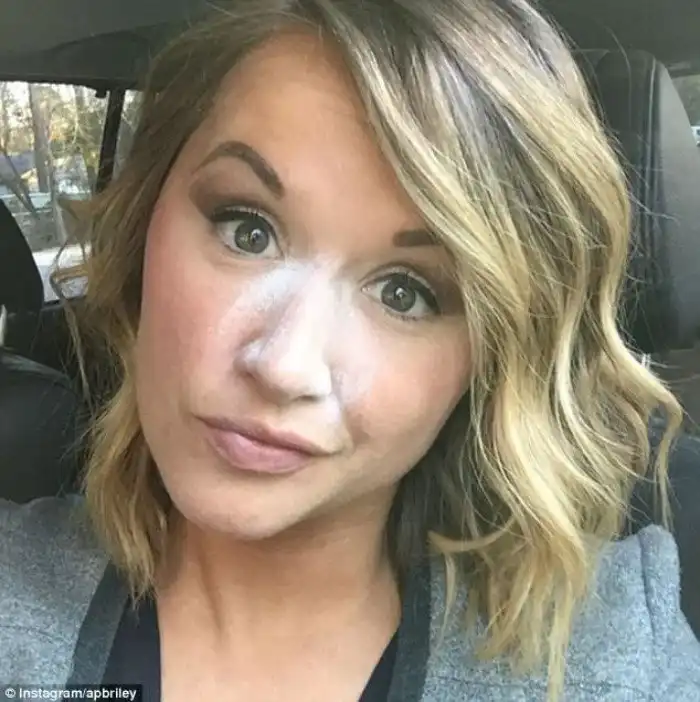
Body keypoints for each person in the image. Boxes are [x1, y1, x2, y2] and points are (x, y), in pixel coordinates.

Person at [2, 1, 699, 700]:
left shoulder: (620, 650)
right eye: (247, 230)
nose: (284, 366)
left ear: (492, 359)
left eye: (405, 293)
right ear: (143, 228)